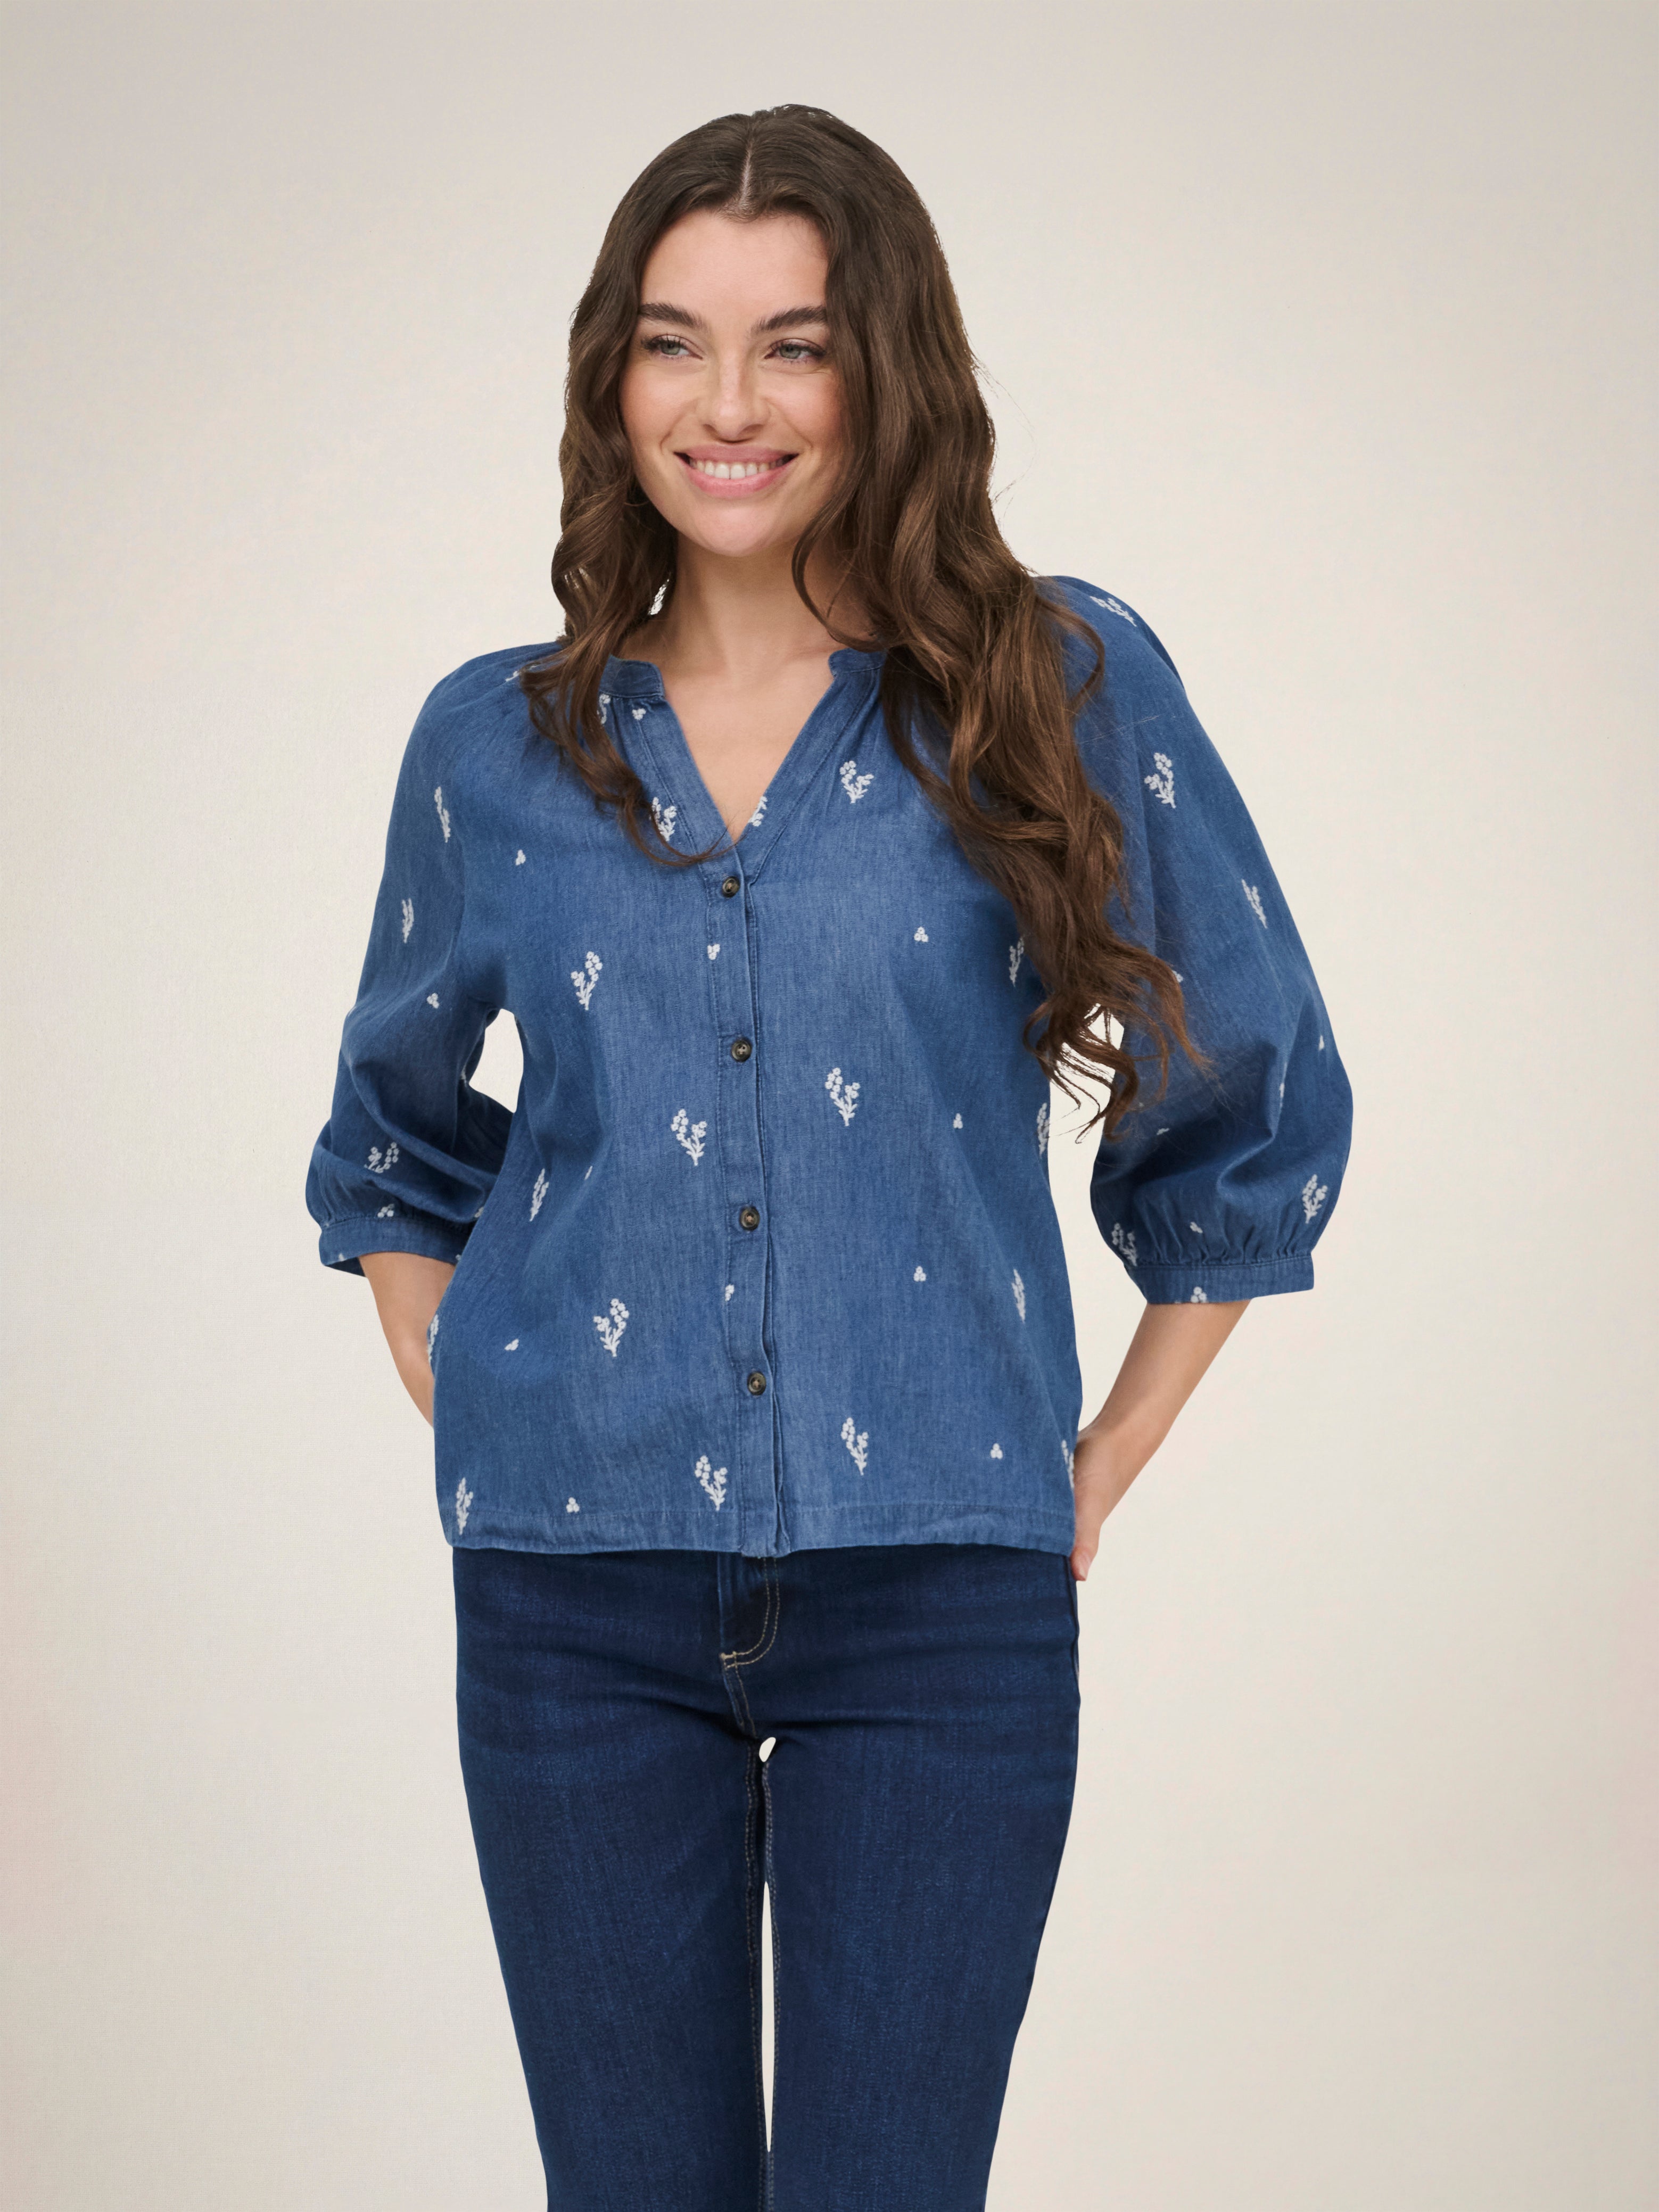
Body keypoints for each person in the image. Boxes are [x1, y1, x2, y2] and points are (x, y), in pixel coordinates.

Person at [305, 102, 1352, 2212]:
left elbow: (1250, 1096)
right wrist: (479, 1382)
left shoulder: (1053, 685)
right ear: (613, 376)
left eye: (795, 344)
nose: (731, 405)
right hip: (571, 1602)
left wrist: (1094, 1463)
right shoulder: (495, 742)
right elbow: (393, 1139)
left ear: (888, 369)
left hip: (942, 1601)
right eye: (675, 342)